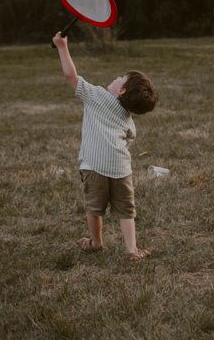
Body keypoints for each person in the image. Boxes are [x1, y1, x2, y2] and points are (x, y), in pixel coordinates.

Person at [53, 32, 157, 261]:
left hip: (94, 166)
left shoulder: (97, 95)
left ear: (121, 91)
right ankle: (132, 250)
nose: (117, 77)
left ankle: (96, 243)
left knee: (94, 208)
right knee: (126, 210)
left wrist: (62, 46)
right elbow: (129, 139)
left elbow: (71, 76)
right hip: (122, 169)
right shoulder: (128, 119)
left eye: (122, 78)